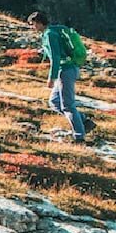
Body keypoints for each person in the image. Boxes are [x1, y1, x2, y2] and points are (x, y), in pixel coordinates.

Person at [27, 10, 87, 142]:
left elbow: (55, 57)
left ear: (39, 23)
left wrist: (51, 78)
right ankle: (83, 121)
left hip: (65, 71)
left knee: (67, 105)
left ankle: (79, 137)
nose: (33, 27)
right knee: (54, 101)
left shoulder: (49, 34)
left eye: (33, 24)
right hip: (69, 69)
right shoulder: (54, 30)